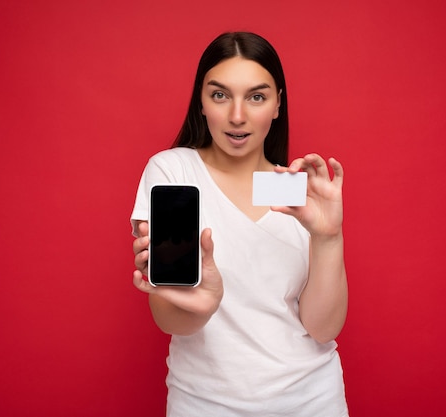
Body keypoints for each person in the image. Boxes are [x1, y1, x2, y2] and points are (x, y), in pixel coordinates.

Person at [131, 32, 349, 417]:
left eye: (256, 96)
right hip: (204, 404)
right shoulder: (173, 171)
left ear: (278, 103)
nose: (237, 115)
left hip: (312, 401)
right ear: (201, 101)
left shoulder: (299, 191)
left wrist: (328, 237)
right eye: (219, 95)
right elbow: (169, 319)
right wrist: (204, 305)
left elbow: (322, 329)